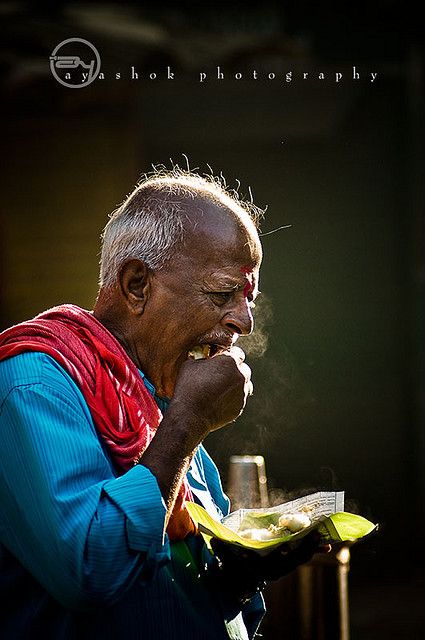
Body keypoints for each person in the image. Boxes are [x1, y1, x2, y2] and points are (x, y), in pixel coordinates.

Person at [0, 169, 323, 639]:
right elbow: (92, 571)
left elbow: (182, 596)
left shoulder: (155, 397)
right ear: (136, 284)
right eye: (222, 293)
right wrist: (188, 425)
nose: (245, 322)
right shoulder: (34, 386)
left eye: (249, 298)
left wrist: (243, 574)